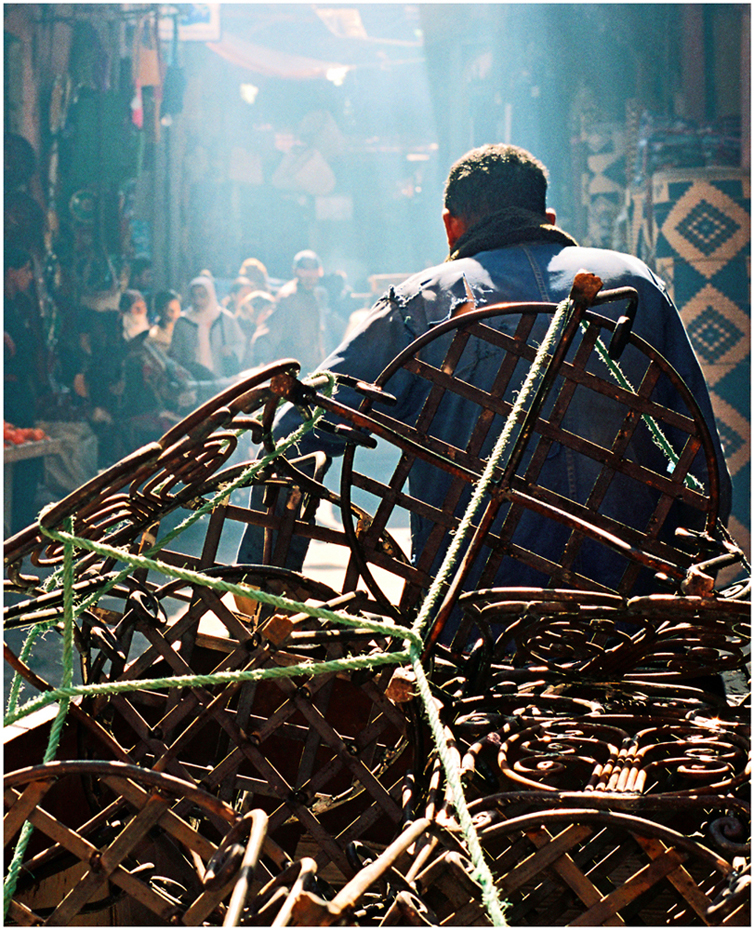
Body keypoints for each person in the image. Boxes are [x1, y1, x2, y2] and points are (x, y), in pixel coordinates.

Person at [238, 144, 732, 635]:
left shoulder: (421, 300)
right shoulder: (634, 282)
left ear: (450, 225)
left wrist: (258, 594)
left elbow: (296, 436)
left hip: (473, 622)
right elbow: (702, 454)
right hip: (634, 615)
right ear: (548, 217)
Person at [263, 250, 329, 376]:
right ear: (296, 272)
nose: (310, 275)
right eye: (305, 270)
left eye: (313, 270)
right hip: (291, 370)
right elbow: (269, 334)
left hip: (310, 367)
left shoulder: (315, 296)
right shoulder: (288, 297)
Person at [169, 274, 245, 379]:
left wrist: (231, 351)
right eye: (193, 296)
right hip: (192, 380)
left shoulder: (224, 318)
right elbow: (175, 353)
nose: (197, 301)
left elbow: (240, 342)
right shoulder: (183, 322)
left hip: (221, 379)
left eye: (202, 295)